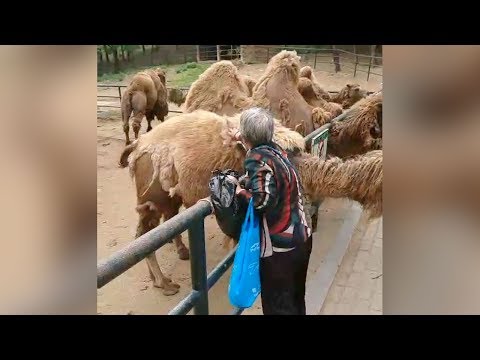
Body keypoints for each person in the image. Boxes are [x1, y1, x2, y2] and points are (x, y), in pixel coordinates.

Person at [228, 107, 312, 315]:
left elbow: (262, 201)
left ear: (247, 137)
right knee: (295, 299)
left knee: (278, 306)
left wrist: (239, 191)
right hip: (302, 237)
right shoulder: (277, 150)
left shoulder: (257, 159)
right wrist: (241, 136)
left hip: (282, 249)